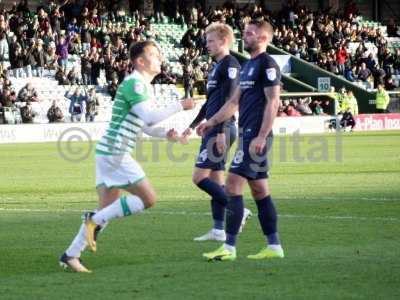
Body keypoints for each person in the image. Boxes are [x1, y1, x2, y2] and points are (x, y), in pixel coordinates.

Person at [59, 41, 195, 273]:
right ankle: (92, 219)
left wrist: (167, 135)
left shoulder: (141, 85)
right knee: (148, 199)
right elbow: (150, 118)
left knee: (107, 211)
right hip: (116, 152)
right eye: (154, 54)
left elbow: (146, 125)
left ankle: (71, 255)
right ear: (140, 61)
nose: (160, 58)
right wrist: (180, 105)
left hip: (108, 152)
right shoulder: (135, 84)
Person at [198, 20, 284, 261]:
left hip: (255, 137)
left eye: (250, 34)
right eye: (244, 33)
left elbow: (273, 102)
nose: (245, 36)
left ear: (264, 38)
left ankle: (229, 247)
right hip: (248, 135)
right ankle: (274, 246)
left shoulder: (268, 64)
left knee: (232, 185)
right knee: (259, 190)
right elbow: (233, 102)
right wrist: (212, 122)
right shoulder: (248, 66)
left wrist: (261, 135)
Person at [181, 23, 251, 242]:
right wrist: (192, 126)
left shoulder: (231, 65)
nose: (207, 44)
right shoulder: (216, 67)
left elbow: (231, 101)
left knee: (198, 177)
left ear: (223, 41)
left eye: (211, 40)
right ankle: (219, 230)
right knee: (216, 180)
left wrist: (219, 130)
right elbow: (210, 103)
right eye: (207, 40)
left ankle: (238, 210)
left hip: (221, 128)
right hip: (213, 127)